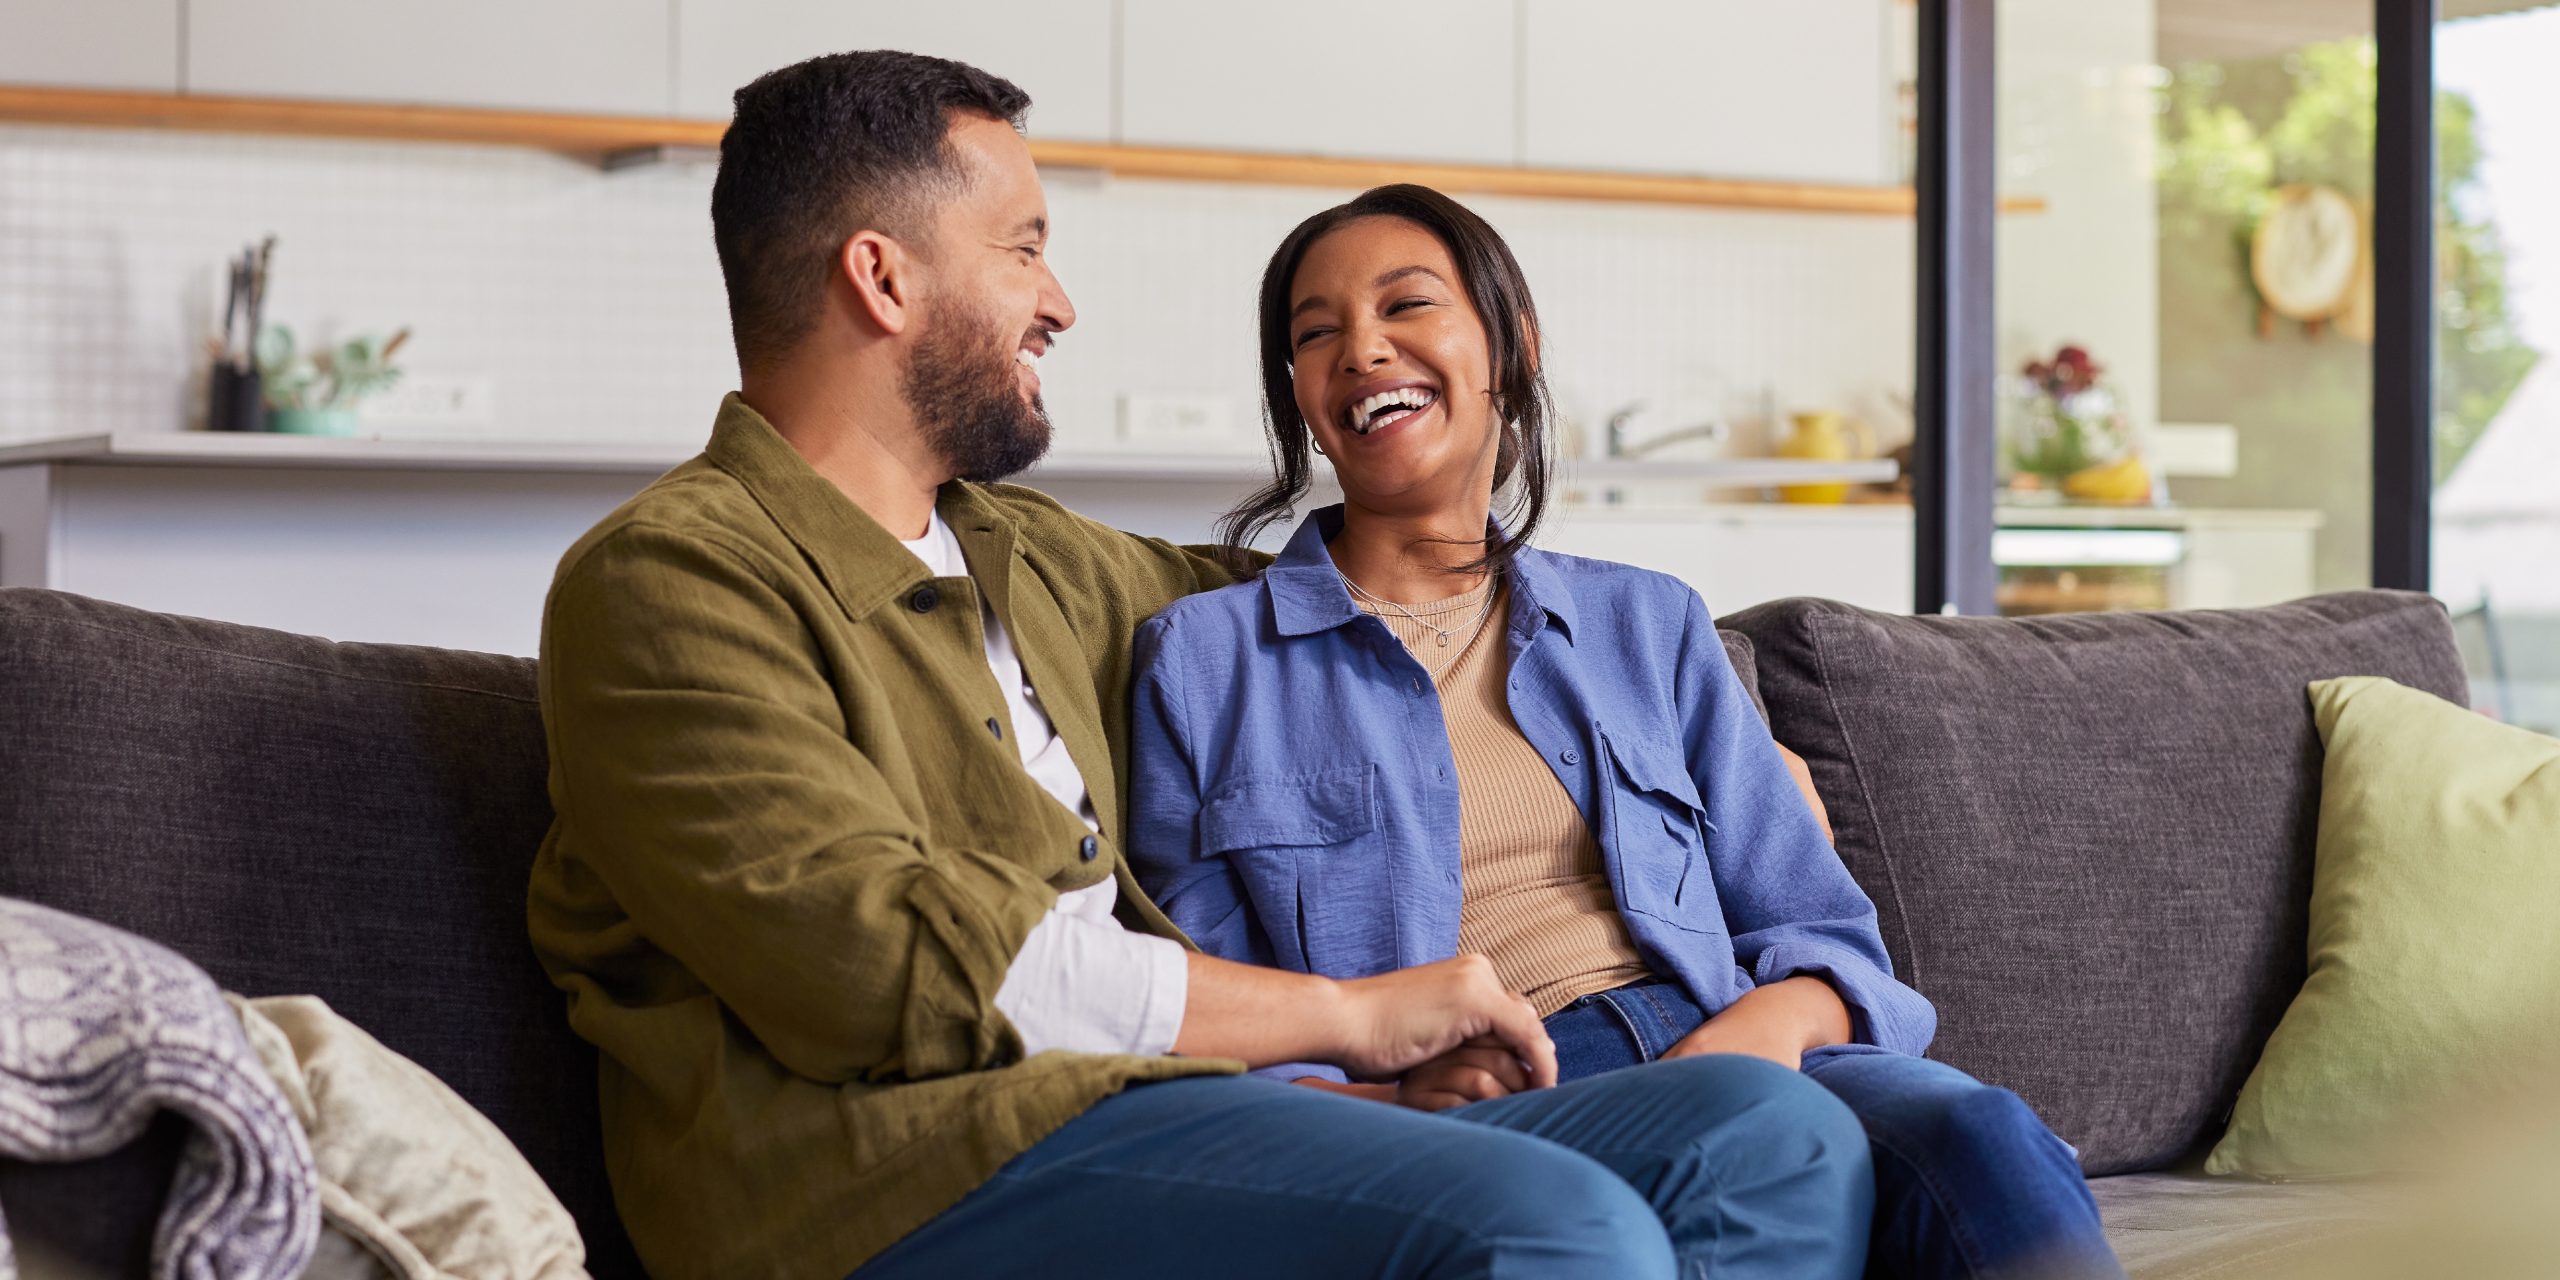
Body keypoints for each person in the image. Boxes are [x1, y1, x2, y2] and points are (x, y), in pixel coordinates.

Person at [531, 52, 1876, 1280]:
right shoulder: (669, 582)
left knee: (1765, 1138)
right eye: (1024, 249)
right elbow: (889, 967)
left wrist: (1697, 722)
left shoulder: (1039, 561)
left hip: (1165, 1112)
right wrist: (1343, 1019)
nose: (1057, 301)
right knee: (1554, 1227)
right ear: (884, 280)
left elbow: (1362, 593)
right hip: (892, 1174)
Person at [1125, 183, 2127, 1280]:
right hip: (1493, 1097)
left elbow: (1824, 928)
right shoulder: (1205, 661)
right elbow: (1206, 1003)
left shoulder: (1647, 622)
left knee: (1981, 1135)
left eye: (1406, 305)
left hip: (1726, 1033)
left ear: (1509, 345)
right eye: (1316, 332)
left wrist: (1773, 1025)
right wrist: (1376, 1092)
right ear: (1302, 398)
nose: (1361, 348)